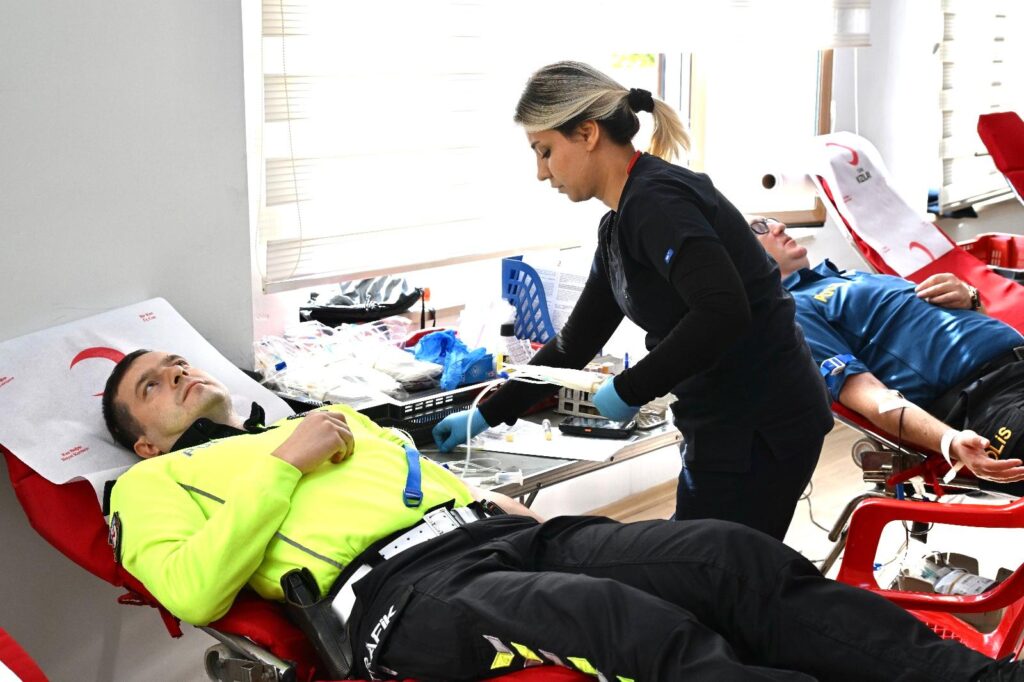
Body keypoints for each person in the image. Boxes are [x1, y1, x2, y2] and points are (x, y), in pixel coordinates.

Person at [104, 349, 1024, 681]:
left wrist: (485, 501)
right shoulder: (145, 488)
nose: (175, 373)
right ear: (143, 441)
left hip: (499, 536)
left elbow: (423, 478)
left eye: (175, 363)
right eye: (151, 385)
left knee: (728, 556)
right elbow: (193, 589)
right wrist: (283, 464)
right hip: (399, 596)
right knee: (631, 625)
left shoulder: (321, 419)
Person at [433, 61, 833, 541]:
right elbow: (574, 343)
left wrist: (630, 388)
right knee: (702, 561)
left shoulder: (657, 202)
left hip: (760, 423)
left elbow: (721, 310)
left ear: (587, 133)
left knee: (716, 569)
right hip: (721, 419)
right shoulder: (619, 224)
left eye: (545, 151)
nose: (541, 172)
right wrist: (487, 413)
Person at [750, 216, 1024, 488]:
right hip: (987, 398)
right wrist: (949, 441)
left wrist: (971, 299)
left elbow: (979, 331)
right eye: (758, 228)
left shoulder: (850, 277)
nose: (780, 226)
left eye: (771, 220)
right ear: (741, 258)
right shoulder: (794, 312)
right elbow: (869, 396)